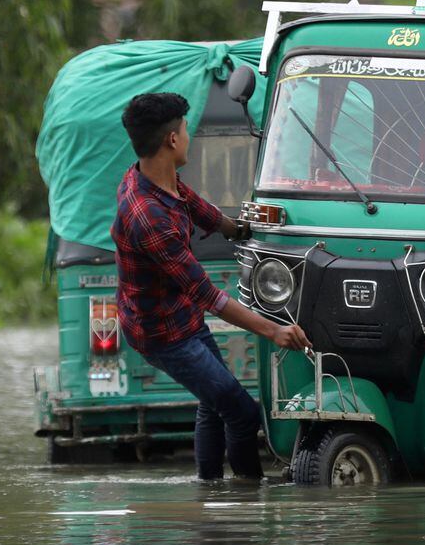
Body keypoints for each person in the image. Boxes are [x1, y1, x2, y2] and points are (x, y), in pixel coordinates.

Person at [111, 92, 311, 481]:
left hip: (181, 315)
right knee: (241, 411)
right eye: (186, 130)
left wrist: (244, 229)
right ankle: (248, 494)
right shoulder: (147, 216)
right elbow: (209, 296)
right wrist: (275, 330)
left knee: (213, 401)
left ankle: (209, 490)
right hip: (162, 333)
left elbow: (199, 208)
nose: (189, 136)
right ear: (172, 140)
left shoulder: (158, 180)